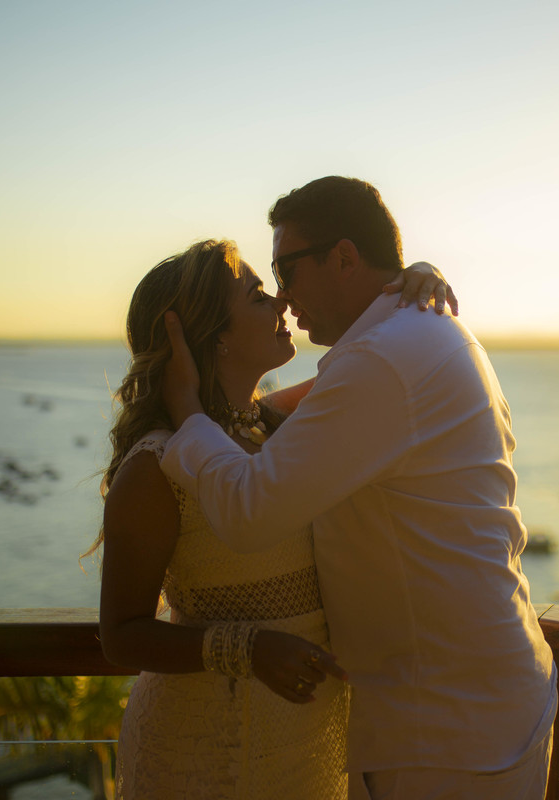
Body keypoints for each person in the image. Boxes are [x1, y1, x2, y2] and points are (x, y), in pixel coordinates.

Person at [160, 176, 557, 800]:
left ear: (344, 257)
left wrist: (186, 415)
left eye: (284, 271)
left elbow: (247, 511)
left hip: (449, 734)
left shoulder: (382, 357)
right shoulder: (420, 334)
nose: (284, 299)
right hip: (476, 707)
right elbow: (286, 421)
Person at [89, 238, 452, 799]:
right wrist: (247, 648)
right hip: (204, 746)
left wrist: (411, 281)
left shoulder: (281, 429)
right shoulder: (157, 466)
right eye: (258, 295)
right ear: (214, 336)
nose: (282, 303)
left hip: (310, 739)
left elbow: (373, 379)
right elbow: (120, 635)